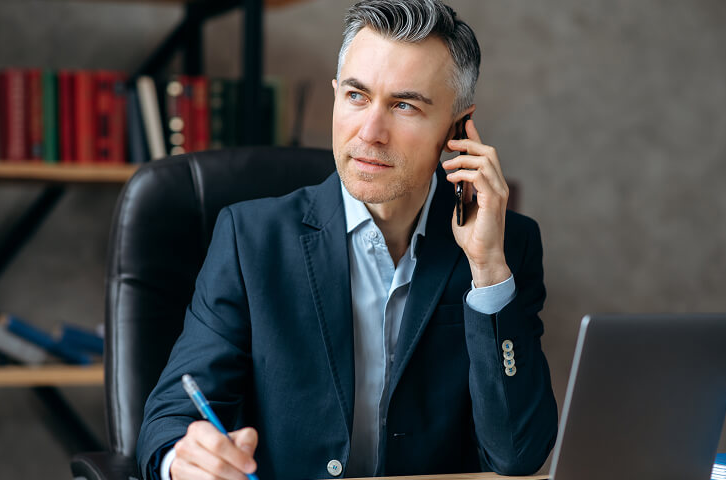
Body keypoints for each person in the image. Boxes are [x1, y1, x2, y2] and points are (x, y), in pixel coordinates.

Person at [137, 1, 558, 479]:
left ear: (457, 128)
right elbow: (169, 419)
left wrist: (487, 271)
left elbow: (518, 455)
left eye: (404, 105)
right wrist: (184, 460)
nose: (371, 132)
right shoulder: (250, 240)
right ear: (337, 96)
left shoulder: (507, 245)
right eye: (357, 97)